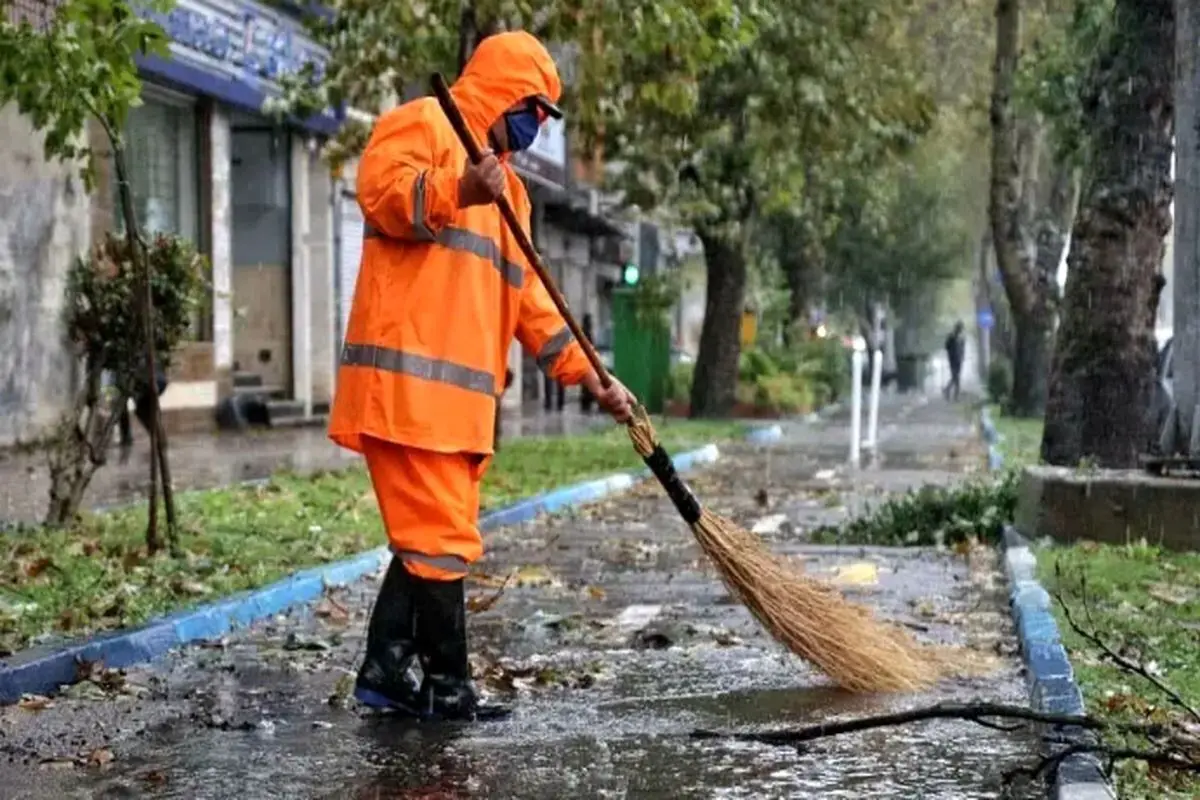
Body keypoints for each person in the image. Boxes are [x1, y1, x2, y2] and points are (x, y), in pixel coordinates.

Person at [327, 31, 636, 723]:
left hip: (460, 411)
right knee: (440, 543)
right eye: (533, 108)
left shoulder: (515, 198)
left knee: (432, 540)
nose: (534, 126)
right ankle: (447, 687)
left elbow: (535, 306)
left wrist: (595, 378)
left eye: (545, 119)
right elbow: (380, 193)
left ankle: (386, 674)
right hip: (405, 394)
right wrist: (457, 187)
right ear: (503, 90)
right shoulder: (423, 125)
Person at [943, 320, 966, 401]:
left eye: (960, 328)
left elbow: (963, 348)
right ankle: (955, 395)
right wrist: (951, 352)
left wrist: (962, 356)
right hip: (953, 359)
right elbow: (946, 346)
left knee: (955, 377)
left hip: (958, 359)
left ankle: (947, 390)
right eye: (959, 328)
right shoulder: (951, 336)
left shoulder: (961, 337)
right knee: (955, 377)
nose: (960, 330)